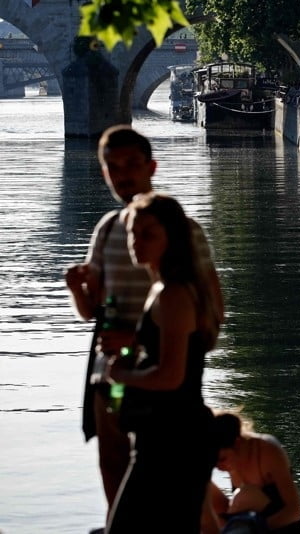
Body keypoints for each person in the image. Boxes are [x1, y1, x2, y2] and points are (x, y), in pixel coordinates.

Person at [64, 126, 222, 519]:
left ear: (151, 166)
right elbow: (93, 311)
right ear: (104, 173)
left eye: (132, 164)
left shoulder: (182, 229)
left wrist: (135, 343)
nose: (123, 174)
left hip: (156, 375)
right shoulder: (107, 228)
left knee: (170, 476)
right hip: (112, 376)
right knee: (114, 459)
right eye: (113, 167)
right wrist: (76, 289)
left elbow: (211, 311)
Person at [105, 193, 222, 533]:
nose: (136, 242)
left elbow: (172, 376)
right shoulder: (163, 288)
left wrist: (122, 374)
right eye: (133, 233)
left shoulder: (173, 294)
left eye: (148, 234)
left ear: (172, 238)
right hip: (165, 434)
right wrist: (136, 343)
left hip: (174, 438)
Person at [204, 412, 300, 534]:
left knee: (247, 495)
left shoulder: (268, 450)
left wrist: (256, 527)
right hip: (244, 524)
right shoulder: (226, 455)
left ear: (237, 443)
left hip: (282, 527)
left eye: (222, 459)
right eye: (213, 461)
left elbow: (295, 512)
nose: (218, 467)